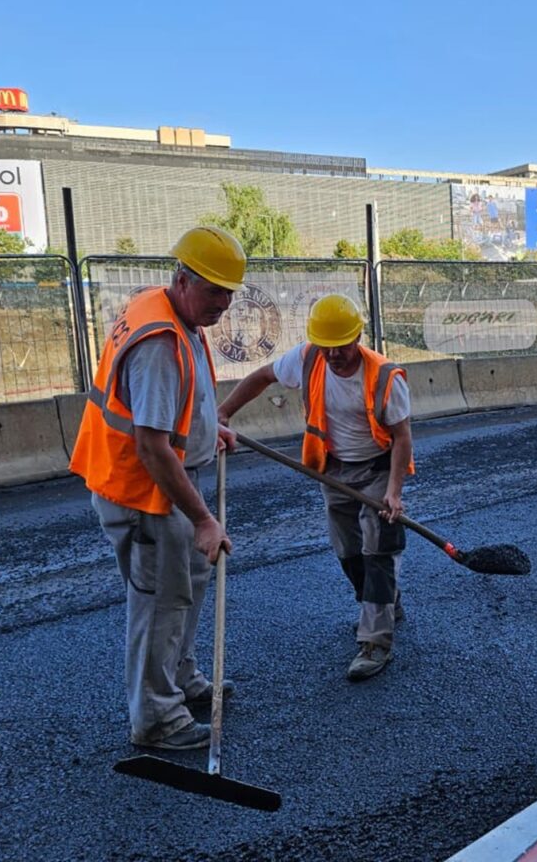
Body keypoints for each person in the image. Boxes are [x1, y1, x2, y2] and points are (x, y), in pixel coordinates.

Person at [71, 225, 245, 751]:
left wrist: (208, 427)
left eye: (230, 292)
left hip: (167, 482)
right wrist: (204, 520)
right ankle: (155, 717)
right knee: (160, 602)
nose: (224, 304)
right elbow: (152, 447)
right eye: (214, 290)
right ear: (182, 279)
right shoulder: (160, 343)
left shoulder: (167, 309)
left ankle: (181, 680)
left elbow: (175, 408)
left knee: (185, 590)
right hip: (145, 491)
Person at [219, 294, 413, 680]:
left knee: (378, 550)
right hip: (333, 469)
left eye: (340, 345)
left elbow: (402, 437)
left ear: (357, 336)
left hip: (376, 467)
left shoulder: (384, 376)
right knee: (347, 550)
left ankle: (375, 641)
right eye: (326, 345)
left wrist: (393, 492)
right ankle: (382, 599)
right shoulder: (308, 358)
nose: (333, 354)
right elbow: (261, 378)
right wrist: (223, 412)